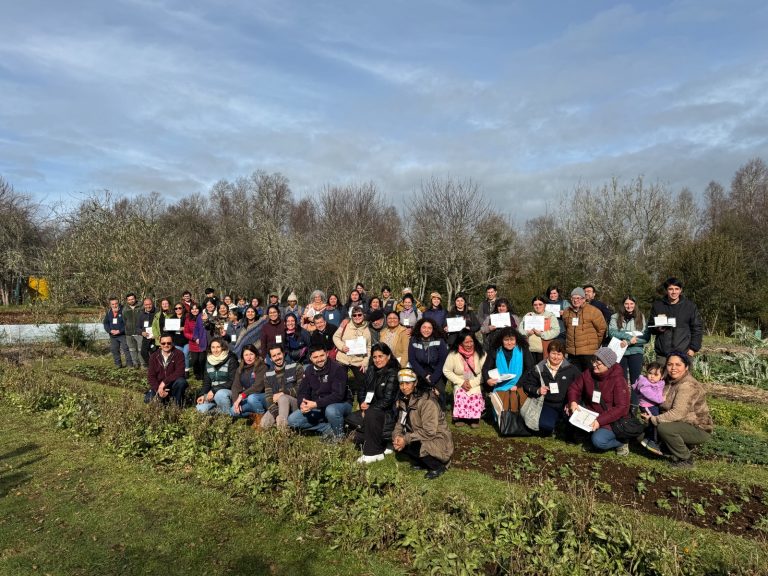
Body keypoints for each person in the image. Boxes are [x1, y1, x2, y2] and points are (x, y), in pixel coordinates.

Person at [639, 352, 713, 467]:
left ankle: (685, 459)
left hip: (697, 427)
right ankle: (669, 447)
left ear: (686, 367)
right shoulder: (668, 381)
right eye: (670, 364)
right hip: (679, 423)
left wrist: (654, 419)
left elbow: (677, 413)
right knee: (640, 436)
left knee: (663, 428)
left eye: (678, 365)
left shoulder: (687, 385)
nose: (673, 368)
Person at [566, 347, 630, 455]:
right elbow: (574, 388)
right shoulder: (588, 373)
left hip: (610, 419)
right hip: (591, 413)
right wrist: (572, 401)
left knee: (599, 441)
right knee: (568, 412)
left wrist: (599, 421)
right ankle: (587, 435)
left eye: (598, 363)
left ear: (608, 365)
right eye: (593, 361)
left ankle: (621, 443)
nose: (594, 365)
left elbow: (622, 408)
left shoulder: (618, 380)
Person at [392, 368, 454, 479]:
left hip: (438, 438)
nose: (404, 387)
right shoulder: (404, 400)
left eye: (407, 383)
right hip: (421, 435)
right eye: (401, 383)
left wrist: (405, 439)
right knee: (405, 443)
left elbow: (430, 431)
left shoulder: (427, 402)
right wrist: (397, 437)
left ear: (415, 383)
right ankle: (422, 462)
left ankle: (438, 466)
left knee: (413, 444)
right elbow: (400, 423)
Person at [346, 343, 400, 463]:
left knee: (370, 415)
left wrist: (369, 409)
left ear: (388, 356)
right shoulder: (371, 370)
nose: (377, 360)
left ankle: (373, 452)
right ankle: (382, 442)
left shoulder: (393, 373)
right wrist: (362, 403)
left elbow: (388, 400)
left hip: (388, 412)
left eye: (381, 356)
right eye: (374, 357)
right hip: (370, 409)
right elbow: (362, 389)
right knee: (351, 420)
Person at [287, 346, 353, 440]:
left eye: (322, 355)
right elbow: (303, 391)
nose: (319, 359)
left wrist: (316, 404)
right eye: (315, 357)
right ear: (310, 358)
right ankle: (327, 428)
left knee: (331, 410)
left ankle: (339, 437)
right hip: (317, 406)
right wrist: (302, 403)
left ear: (327, 354)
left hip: (341, 404)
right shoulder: (309, 370)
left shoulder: (338, 369)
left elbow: (338, 395)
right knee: (292, 420)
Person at [519, 340, 581, 435]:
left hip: (565, 404)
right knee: (544, 426)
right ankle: (554, 424)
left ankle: (561, 423)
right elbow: (527, 384)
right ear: (548, 353)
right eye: (553, 353)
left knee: (573, 426)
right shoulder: (539, 368)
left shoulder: (571, 369)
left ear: (563, 355)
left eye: (559, 354)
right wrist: (538, 390)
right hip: (547, 404)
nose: (556, 357)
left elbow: (579, 387)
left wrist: (573, 402)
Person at [482, 328, 534, 423]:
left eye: (512, 340)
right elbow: (485, 368)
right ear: (501, 340)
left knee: (512, 413)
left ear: (516, 339)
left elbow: (530, 368)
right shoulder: (495, 350)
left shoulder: (523, 349)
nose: (509, 343)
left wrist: (518, 385)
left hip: (518, 385)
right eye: (506, 340)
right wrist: (488, 380)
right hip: (500, 386)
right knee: (503, 416)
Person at [649, 278, 703, 365]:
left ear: (681, 290)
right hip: (663, 354)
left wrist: (693, 348)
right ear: (666, 290)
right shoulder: (658, 306)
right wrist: (659, 328)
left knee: (684, 379)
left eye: (677, 289)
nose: (674, 292)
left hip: (683, 353)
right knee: (662, 378)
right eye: (670, 289)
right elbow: (651, 327)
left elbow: (697, 328)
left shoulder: (690, 306)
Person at [444, 330, 487, 428]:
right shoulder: (453, 355)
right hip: (460, 381)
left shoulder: (481, 353)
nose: (469, 344)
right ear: (460, 342)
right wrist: (461, 382)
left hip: (476, 381)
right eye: (466, 342)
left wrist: (472, 383)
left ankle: (474, 418)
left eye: (471, 341)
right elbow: (446, 370)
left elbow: (484, 371)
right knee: (460, 393)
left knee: (475, 392)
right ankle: (460, 417)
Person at [561, 287, 607, 373]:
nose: (576, 300)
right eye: (573, 298)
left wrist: (595, 343)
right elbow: (567, 327)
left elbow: (602, 329)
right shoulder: (567, 312)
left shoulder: (593, 311)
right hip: (572, 352)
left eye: (578, 298)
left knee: (589, 377)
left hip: (588, 352)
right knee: (576, 378)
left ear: (583, 299)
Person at [609, 295, 650, 387]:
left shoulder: (641, 317)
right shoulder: (615, 317)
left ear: (635, 305)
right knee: (620, 379)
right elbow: (612, 332)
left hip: (636, 351)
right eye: (626, 303)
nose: (629, 306)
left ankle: (634, 401)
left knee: (635, 380)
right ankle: (622, 400)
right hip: (620, 351)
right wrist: (628, 335)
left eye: (631, 303)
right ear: (623, 305)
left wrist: (628, 342)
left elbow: (645, 337)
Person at [408, 318, 449, 409]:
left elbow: (443, 361)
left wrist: (433, 377)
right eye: (424, 327)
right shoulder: (414, 340)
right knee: (418, 392)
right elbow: (412, 359)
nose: (426, 330)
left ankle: (440, 412)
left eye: (429, 328)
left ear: (433, 329)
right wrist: (424, 375)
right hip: (420, 371)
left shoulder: (440, 340)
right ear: (419, 328)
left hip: (437, 371)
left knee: (439, 391)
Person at [261, 345, 304, 429]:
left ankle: (282, 434)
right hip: (278, 406)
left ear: (283, 354)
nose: (277, 357)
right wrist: (276, 414)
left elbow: (301, 388)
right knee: (264, 423)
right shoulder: (267, 375)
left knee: (283, 398)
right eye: (274, 356)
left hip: (296, 404)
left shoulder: (296, 367)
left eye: (279, 354)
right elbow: (269, 397)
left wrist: (283, 393)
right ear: (270, 359)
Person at [332, 306, 372, 396]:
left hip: (358, 361)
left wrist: (365, 361)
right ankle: (343, 397)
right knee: (340, 380)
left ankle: (362, 399)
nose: (357, 317)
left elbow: (368, 348)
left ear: (363, 315)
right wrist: (342, 347)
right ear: (352, 316)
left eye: (359, 315)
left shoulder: (367, 330)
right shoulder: (345, 324)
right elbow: (335, 337)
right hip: (343, 358)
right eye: (354, 315)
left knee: (363, 381)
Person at [196, 337, 238, 414]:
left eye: (218, 347)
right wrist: (203, 395)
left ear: (223, 347)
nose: (215, 350)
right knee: (200, 408)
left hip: (228, 391)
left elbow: (232, 381)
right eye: (213, 347)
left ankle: (228, 415)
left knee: (220, 394)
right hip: (213, 393)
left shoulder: (231, 360)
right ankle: (219, 410)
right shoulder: (208, 361)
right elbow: (207, 382)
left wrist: (214, 390)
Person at [633, 362, 666, 456]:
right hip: (647, 406)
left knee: (655, 421)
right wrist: (661, 399)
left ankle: (648, 438)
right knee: (653, 421)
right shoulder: (644, 384)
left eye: (656, 375)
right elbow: (650, 395)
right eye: (650, 373)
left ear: (662, 376)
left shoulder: (659, 382)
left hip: (653, 405)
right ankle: (651, 441)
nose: (652, 376)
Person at [230, 344, 269, 421]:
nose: (249, 357)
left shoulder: (262, 367)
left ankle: (262, 418)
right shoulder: (240, 369)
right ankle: (253, 415)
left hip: (263, 397)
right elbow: (235, 387)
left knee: (252, 398)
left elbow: (258, 387)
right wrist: (236, 402)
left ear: (256, 355)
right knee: (232, 411)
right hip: (247, 397)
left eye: (251, 354)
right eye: (246, 355)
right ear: (243, 357)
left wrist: (241, 396)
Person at [145, 335, 188, 406]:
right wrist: (158, 389)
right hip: (159, 386)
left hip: (173, 384)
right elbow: (151, 376)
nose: (166, 345)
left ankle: (177, 405)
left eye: (169, 343)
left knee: (181, 382)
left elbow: (180, 372)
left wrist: (164, 382)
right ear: (160, 344)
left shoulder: (179, 354)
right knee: (148, 400)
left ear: (172, 343)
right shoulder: (154, 356)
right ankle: (165, 399)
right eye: (163, 343)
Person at [519, 296, 560, 363]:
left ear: (545, 305)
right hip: (529, 351)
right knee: (530, 371)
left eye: (540, 304)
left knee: (542, 371)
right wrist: (527, 333)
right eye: (535, 304)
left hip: (544, 351)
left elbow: (556, 330)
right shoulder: (528, 315)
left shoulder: (550, 316)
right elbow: (520, 330)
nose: (538, 306)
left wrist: (542, 334)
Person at [103, 296, 134, 368]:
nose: (114, 305)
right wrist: (109, 330)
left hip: (123, 334)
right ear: (110, 305)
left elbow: (128, 323)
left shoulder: (124, 310)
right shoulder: (109, 312)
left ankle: (130, 365)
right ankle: (118, 364)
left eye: (116, 303)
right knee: (114, 349)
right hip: (113, 335)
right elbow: (105, 323)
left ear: (118, 303)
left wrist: (120, 331)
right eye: (112, 304)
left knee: (126, 349)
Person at [184, 302, 208, 380]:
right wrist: (194, 338)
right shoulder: (188, 319)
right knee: (195, 361)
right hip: (193, 343)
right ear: (190, 310)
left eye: (196, 309)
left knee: (202, 360)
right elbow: (186, 332)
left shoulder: (203, 317)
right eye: (192, 309)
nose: (194, 310)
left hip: (203, 343)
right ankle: (196, 375)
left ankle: (203, 374)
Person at [123, 293, 144, 368]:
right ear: (127, 300)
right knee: (132, 349)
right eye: (129, 299)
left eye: (132, 299)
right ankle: (135, 364)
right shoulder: (125, 309)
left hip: (140, 332)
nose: (131, 301)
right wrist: (127, 328)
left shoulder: (142, 307)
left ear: (135, 299)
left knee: (140, 349)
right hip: (129, 333)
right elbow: (124, 320)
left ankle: (143, 364)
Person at [138, 297, 157, 366]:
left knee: (154, 353)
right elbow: (137, 328)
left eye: (150, 304)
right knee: (143, 352)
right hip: (146, 337)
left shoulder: (157, 312)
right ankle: (151, 366)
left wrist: (157, 334)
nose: (148, 306)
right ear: (144, 305)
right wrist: (141, 332)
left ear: (152, 304)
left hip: (156, 337)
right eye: (146, 305)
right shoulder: (141, 314)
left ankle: (157, 367)